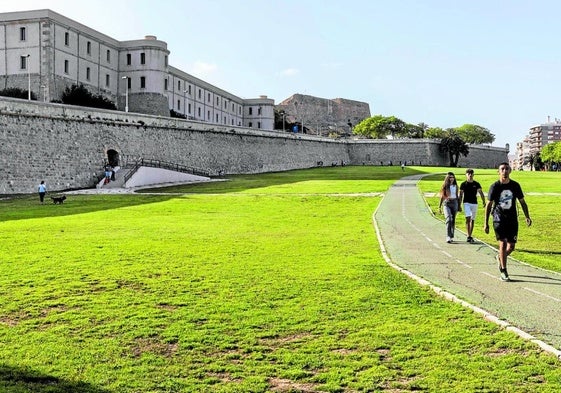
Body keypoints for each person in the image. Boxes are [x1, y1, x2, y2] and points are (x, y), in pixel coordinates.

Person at [484, 162, 532, 282]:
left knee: (511, 247)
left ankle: (500, 257)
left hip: (512, 218)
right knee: (503, 243)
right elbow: (488, 205)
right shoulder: (494, 186)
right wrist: (486, 223)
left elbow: (522, 202)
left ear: (510, 171)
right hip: (498, 218)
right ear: (498, 171)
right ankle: (503, 270)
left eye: (507, 169)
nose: (504, 171)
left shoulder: (515, 185)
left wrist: (527, 216)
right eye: (502, 169)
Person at [459, 168, 486, 243]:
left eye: (471, 174)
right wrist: (459, 204)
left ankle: (470, 235)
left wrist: (484, 201)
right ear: (466, 175)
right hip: (466, 203)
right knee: (468, 218)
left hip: (474, 203)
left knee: (472, 219)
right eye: (468, 174)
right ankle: (468, 235)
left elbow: (481, 193)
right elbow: (460, 195)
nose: (470, 175)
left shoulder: (476, 184)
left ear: (473, 175)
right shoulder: (463, 184)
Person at [438, 172, 461, 243]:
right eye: (450, 177)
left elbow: (457, 196)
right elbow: (442, 197)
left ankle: (451, 236)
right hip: (447, 203)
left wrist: (459, 205)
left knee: (453, 220)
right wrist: (439, 206)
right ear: (448, 178)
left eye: (453, 177)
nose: (452, 179)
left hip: (455, 203)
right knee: (449, 219)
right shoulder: (445, 186)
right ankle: (448, 236)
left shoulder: (456, 186)